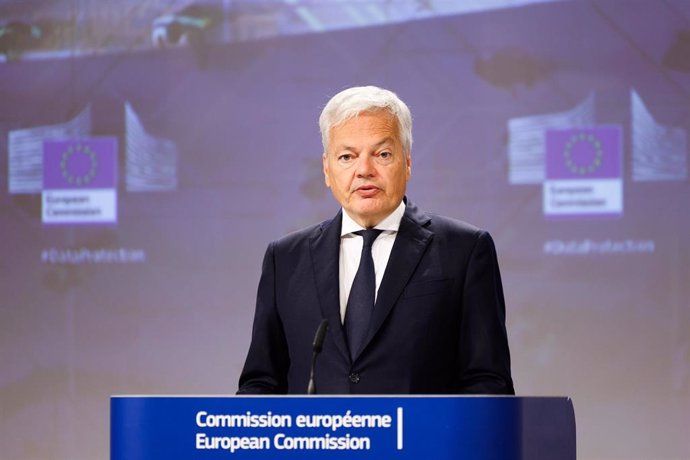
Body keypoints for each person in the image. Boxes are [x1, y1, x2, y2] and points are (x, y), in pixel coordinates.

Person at [237, 86, 514, 395]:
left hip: (420, 442)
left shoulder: (464, 251)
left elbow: (489, 384)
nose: (364, 170)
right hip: (320, 443)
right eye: (347, 157)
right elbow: (260, 384)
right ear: (327, 170)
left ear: (407, 162)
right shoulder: (285, 259)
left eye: (382, 154)